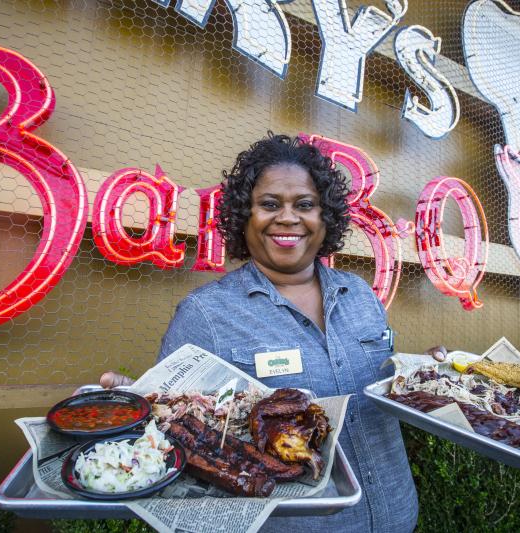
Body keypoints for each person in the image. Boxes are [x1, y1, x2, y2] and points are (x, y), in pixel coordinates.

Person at [102, 133, 443, 532]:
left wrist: (434, 380)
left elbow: (389, 391)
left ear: (325, 216)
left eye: (304, 205)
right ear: (244, 216)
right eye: (268, 204)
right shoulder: (206, 313)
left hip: (396, 516)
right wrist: (133, 407)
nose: (287, 217)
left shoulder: (361, 295)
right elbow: (173, 428)